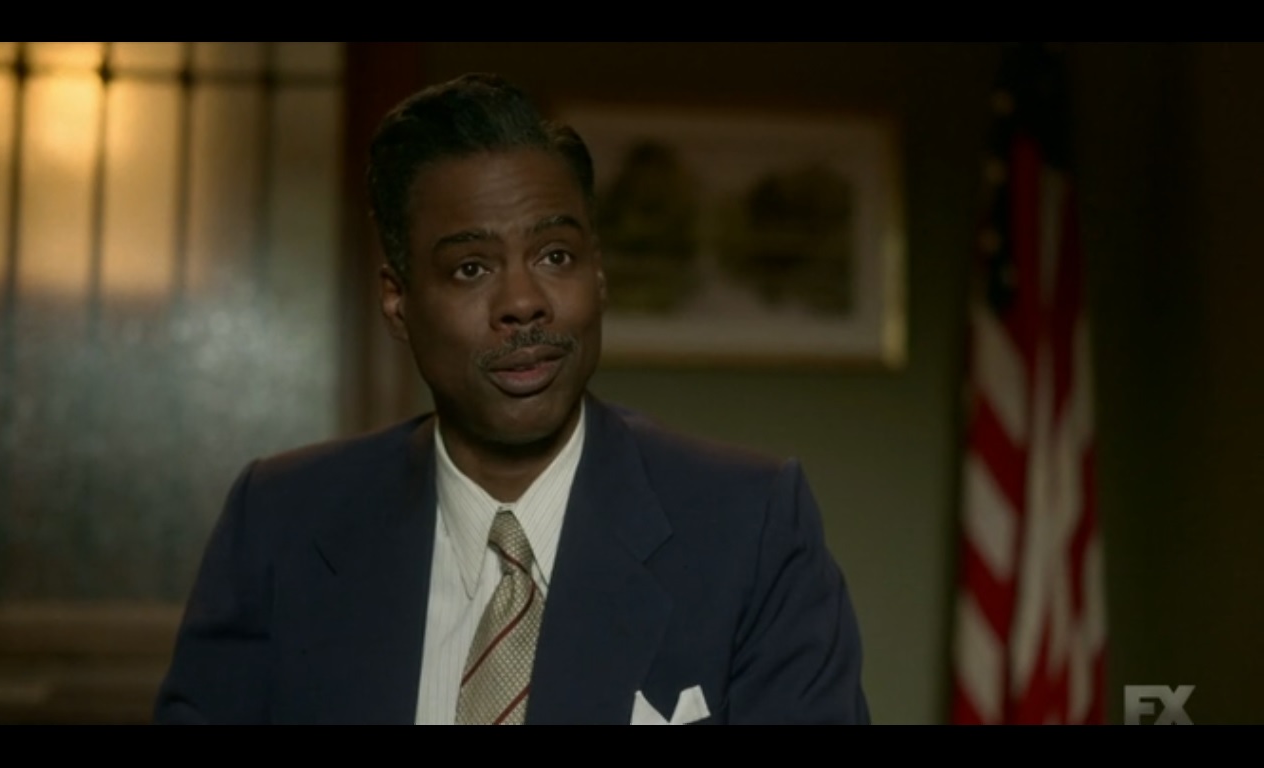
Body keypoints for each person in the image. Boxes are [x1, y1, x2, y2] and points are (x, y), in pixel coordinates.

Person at [154, 73, 869, 724]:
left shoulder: (750, 529)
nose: (524, 302)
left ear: (598, 275)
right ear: (398, 303)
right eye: (471, 268)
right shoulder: (280, 524)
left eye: (556, 256)